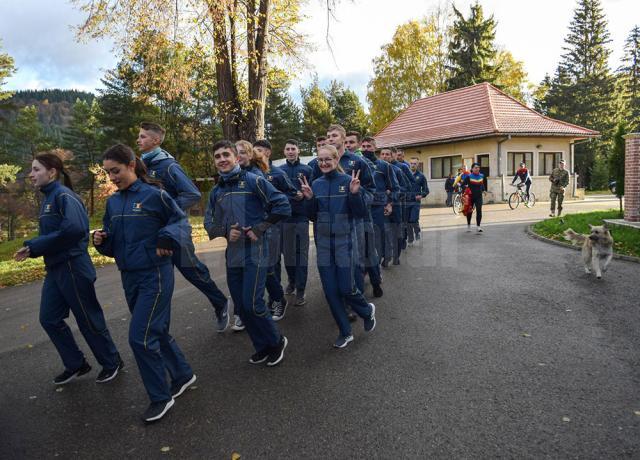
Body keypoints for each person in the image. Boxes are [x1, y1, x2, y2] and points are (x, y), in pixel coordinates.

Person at [94, 144, 196, 423]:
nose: (112, 177)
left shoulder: (155, 195)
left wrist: (167, 237)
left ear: (131, 165)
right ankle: (184, 374)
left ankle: (160, 397)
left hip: (156, 276)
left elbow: (180, 223)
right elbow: (114, 245)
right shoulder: (113, 202)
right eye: (108, 173)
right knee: (157, 331)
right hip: (130, 277)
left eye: (116, 171)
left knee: (140, 338)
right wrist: (101, 242)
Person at [14, 152, 122, 386]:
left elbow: (74, 230)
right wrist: (32, 248)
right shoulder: (48, 199)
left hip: (73, 266)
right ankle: (76, 364)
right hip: (55, 269)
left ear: (51, 172)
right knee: (49, 319)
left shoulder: (64, 196)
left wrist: (34, 245)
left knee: (88, 318)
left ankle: (112, 362)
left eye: (35, 169)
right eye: (31, 170)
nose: (31, 174)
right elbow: (55, 234)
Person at [137, 122, 230, 333]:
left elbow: (192, 194)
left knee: (194, 273)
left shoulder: (168, 166)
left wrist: (166, 210)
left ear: (156, 140)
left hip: (176, 231)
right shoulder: (142, 166)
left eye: (143, 137)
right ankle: (161, 331)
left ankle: (220, 303)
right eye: (139, 136)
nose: (138, 140)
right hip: (157, 234)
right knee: (161, 283)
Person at [204, 140, 290, 366]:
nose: (222, 159)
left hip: (257, 250)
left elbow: (282, 205)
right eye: (217, 156)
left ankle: (277, 340)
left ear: (236, 158)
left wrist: (260, 228)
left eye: (226, 154)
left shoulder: (254, 181)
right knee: (241, 306)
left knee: (253, 303)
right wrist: (224, 231)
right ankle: (261, 346)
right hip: (233, 254)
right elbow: (208, 224)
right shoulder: (216, 192)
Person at [299, 145, 376, 348]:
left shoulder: (348, 181)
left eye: (327, 159)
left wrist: (354, 194)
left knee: (346, 288)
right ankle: (345, 331)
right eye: (320, 160)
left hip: (345, 242)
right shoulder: (315, 184)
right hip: (324, 244)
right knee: (331, 291)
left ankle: (367, 311)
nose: (323, 163)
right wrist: (309, 199)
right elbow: (311, 216)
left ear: (336, 159)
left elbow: (359, 213)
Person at [253, 139, 299, 321]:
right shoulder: (248, 173)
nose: (255, 153)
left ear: (267, 153)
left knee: (272, 261)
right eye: (254, 150)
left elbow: (291, 192)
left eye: (259, 151)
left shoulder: (277, 173)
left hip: (272, 224)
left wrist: (275, 203)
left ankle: (276, 299)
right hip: (252, 225)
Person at [362, 137, 399, 296]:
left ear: (375, 147)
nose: (365, 148)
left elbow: (395, 188)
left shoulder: (384, 166)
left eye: (369, 146)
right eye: (363, 146)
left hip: (378, 209)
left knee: (375, 243)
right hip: (361, 208)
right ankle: (364, 270)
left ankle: (375, 271)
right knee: (361, 242)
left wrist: (390, 204)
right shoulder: (358, 163)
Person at [278, 139, 312, 306]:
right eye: (288, 149)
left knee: (302, 255)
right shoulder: (279, 171)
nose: (291, 151)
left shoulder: (307, 170)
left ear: (298, 151)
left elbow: (312, 192)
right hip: (285, 219)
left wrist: (304, 197)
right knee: (288, 254)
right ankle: (292, 280)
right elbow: (276, 194)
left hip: (301, 218)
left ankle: (300, 290)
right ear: (284, 152)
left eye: (293, 148)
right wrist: (293, 196)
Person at [380, 147, 408, 266]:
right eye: (382, 154)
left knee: (396, 232)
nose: (385, 156)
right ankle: (386, 256)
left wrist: (391, 193)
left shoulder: (397, 170)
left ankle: (396, 256)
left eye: (387, 154)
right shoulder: (377, 170)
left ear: (392, 156)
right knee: (384, 233)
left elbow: (405, 187)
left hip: (396, 206)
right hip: (382, 206)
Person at [461, 162, 488, 232]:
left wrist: (484, 190)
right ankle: (468, 226)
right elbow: (462, 185)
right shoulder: (469, 176)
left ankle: (478, 226)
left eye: (478, 167)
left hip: (479, 196)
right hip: (470, 197)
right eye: (475, 167)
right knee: (469, 211)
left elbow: (481, 184)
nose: (477, 169)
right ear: (472, 169)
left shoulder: (482, 176)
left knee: (479, 210)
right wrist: (466, 187)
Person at [407, 158, 429, 243]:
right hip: (406, 201)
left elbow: (426, 190)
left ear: (418, 164)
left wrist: (421, 195)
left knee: (413, 219)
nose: (412, 165)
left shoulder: (421, 176)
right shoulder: (405, 175)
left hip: (415, 202)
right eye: (411, 163)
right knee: (408, 220)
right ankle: (410, 238)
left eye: (414, 163)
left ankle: (417, 231)